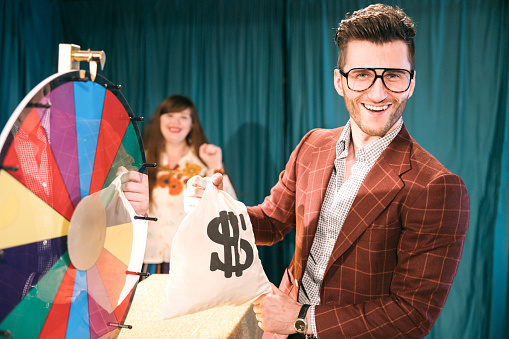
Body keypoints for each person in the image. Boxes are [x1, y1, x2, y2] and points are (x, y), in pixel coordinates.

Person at [184, 4, 470, 339]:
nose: (378, 93)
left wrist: (301, 319)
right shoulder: (313, 145)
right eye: (362, 74)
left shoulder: (437, 186)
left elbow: (412, 315)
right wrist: (216, 208)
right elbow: (272, 222)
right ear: (339, 81)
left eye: (393, 75)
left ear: (411, 83)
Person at [142, 95, 236, 276]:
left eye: (183, 117)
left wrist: (216, 166)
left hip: (189, 261)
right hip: (147, 258)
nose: (175, 122)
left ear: (192, 124)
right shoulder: (142, 160)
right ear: (159, 119)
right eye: (169, 115)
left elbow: (228, 208)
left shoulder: (203, 163)